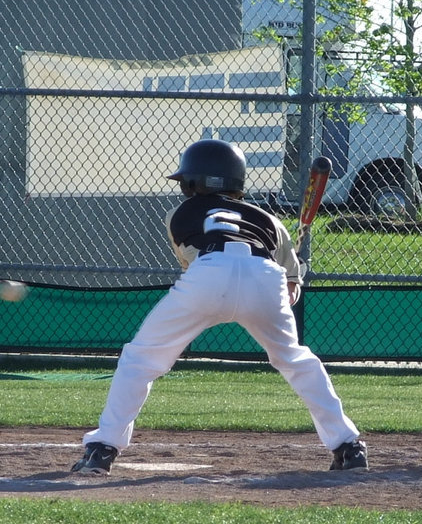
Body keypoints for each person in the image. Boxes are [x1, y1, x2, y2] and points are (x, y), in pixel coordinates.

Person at [72, 138, 368, 475]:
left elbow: (194, 266)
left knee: (141, 357)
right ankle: (348, 446)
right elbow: (289, 290)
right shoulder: (271, 222)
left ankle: (102, 449)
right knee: (295, 359)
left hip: (209, 273)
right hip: (265, 274)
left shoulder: (178, 214)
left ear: (195, 182)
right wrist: (290, 277)